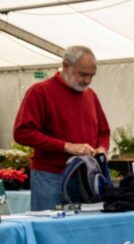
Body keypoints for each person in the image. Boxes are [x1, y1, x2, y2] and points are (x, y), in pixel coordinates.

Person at [13, 45, 110, 211]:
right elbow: (22, 133)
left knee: (84, 228)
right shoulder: (40, 92)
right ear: (65, 66)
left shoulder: (90, 95)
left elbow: (103, 131)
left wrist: (102, 148)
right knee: (48, 229)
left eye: (91, 76)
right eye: (83, 74)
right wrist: (66, 146)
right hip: (50, 177)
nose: (87, 80)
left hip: (85, 177)